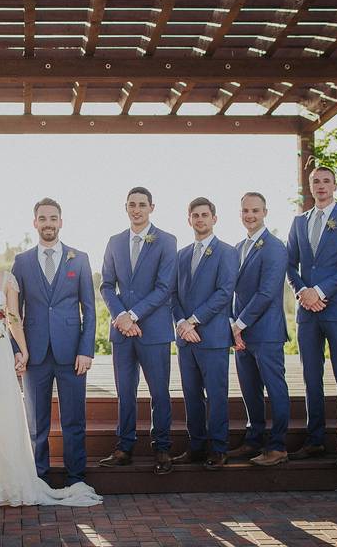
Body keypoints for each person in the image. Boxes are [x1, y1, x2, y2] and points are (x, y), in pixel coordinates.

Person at [0, 226, 102, 507]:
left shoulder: (7, 278)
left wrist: (23, 350)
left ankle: (55, 477)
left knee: (3, 413)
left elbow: (14, 318)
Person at [11, 198, 96, 485]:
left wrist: (86, 350)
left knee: (74, 420)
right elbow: (13, 311)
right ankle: (38, 477)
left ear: (61, 221)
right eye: (43, 218)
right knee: (37, 422)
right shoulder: (21, 262)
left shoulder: (79, 258)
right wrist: (17, 351)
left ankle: (76, 477)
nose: (48, 223)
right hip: (34, 353)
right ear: (35, 222)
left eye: (53, 218)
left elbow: (90, 309)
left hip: (72, 353)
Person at [286, 166, 337, 467]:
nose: (321, 186)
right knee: (310, 377)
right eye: (315, 181)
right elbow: (290, 264)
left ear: (335, 185)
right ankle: (315, 439)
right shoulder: (298, 221)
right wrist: (303, 292)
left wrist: (320, 290)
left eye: (326, 181)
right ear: (310, 186)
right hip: (307, 311)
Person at [98, 187, 178, 475]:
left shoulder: (167, 241)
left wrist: (132, 315)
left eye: (142, 205)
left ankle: (162, 448)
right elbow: (106, 285)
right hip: (121, 331)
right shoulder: (114, 242)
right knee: (126, 392)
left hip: (153, 330)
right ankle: (124, 447)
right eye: (132, 204)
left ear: (151, 208)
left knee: (159, 392)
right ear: (126, 207)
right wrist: (120, 315)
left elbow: (165, 287)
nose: (137, 209)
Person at [171, 197, 237, 470]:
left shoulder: (227, 252)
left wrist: (194, 321)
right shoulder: (181, 254)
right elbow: (172, 293)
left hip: (212, 337)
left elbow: (224, 292)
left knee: (217, 395)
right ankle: (196, 446)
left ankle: (218, 448)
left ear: (214, 218)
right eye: (195, 215)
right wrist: (182, 323)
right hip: (186, 339)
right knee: (191, 394)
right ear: (189, 220)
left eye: (204, 215)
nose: (200, 219)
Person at [227, 192, 290, 468]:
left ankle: (277, 446)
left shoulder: (275, 247)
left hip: (266, 332)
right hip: (241, 334)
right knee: (249, 390)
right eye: (245, 211)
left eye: (255, 210)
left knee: (275, 388)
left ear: (265, 212)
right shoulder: (238, 247)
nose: (250, 215)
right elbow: (231, 291)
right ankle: (254, 440)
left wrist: (239, 324)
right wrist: (232, 325)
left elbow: (266, 293)